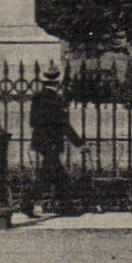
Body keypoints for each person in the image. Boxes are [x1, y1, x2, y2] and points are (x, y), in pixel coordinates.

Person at [23, 65, 83, 217]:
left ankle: (66, 206)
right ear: (58, 82)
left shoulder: (37, 97)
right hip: (52, 143)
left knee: (58, 175)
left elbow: (32, 121)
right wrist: (79, 143)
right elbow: (63, 124)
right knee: (46, 176)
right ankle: (27, 202)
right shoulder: (55, 99)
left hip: (42, 142)